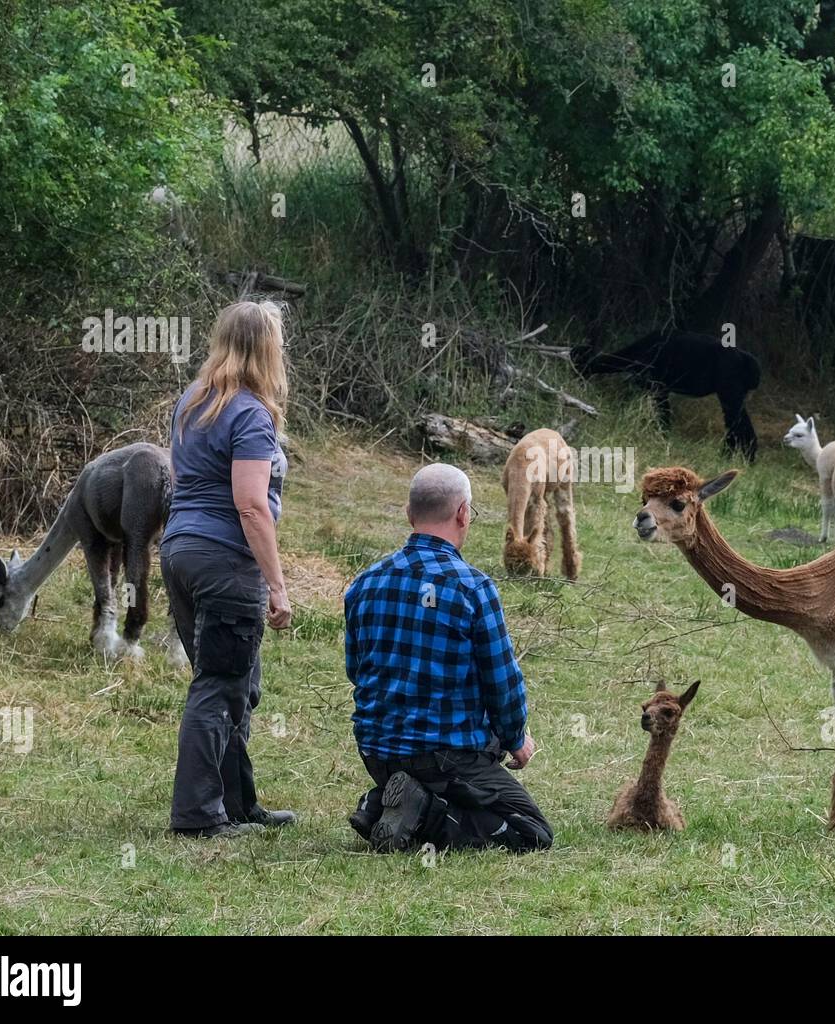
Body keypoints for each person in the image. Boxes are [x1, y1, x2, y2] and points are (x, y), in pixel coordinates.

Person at [345, 463, 552, 853]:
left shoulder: (364, 583)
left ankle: (385, 801)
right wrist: (514, 738)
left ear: (410, 514)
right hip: (443, 757)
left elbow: (357, 671)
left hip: (377, 752)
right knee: (530, 832)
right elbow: (501, 682)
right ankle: (420, 811)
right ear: (462, 514)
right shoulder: (473, 587)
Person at [160, 300, 296, 837]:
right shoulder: (251, 414)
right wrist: (277, 585)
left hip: (179, 552)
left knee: (237, 681)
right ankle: (197, 817)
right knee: (219, 684)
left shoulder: (191, 401)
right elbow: (250, 505)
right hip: (224, 560)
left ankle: (238, 804)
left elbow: (181, 478)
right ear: (266, 349)